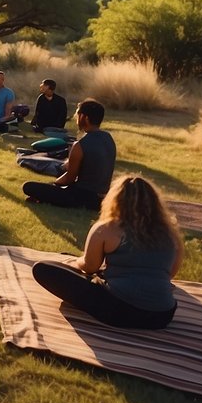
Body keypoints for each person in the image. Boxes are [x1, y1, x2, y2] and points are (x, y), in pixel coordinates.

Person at [31, 175, 183, 329]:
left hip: (119, 311)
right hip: (163, 316)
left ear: (115, 200)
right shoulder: (171, 234)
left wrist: (75, 261)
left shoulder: (107, 228)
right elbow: (169, 273)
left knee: (44, 268)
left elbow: (90, 267)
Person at [22, 98, 116, 209]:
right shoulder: (108, 138)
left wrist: (53, 184)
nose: (76, 118)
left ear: (84, 118)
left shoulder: (80, 145)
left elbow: (69, 178)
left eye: (78, 114)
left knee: (28, 187)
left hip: (82, 198)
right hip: (104, 197)